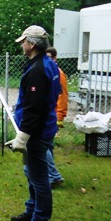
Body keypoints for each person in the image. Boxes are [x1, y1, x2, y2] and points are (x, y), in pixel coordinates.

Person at [6, 26, 61, 221]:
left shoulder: (38, 69)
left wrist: (23, 136)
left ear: (32, 44)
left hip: (37, 131)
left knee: (39, 177)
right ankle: (31, 210)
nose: (22, 45)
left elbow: (34, 107)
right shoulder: (49, 64)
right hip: (44, 127)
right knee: (31, 172)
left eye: (24, 41)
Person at [45, 46, 68, 188]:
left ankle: (54, 176)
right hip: (48, 115)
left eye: (49, 57)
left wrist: (60, 117)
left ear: (55, 58)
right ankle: (49, 175)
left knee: (42, 146)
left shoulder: (59, 74)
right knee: (48, 146)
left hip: (52, 117)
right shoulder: (49, 71)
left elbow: (63, 97)